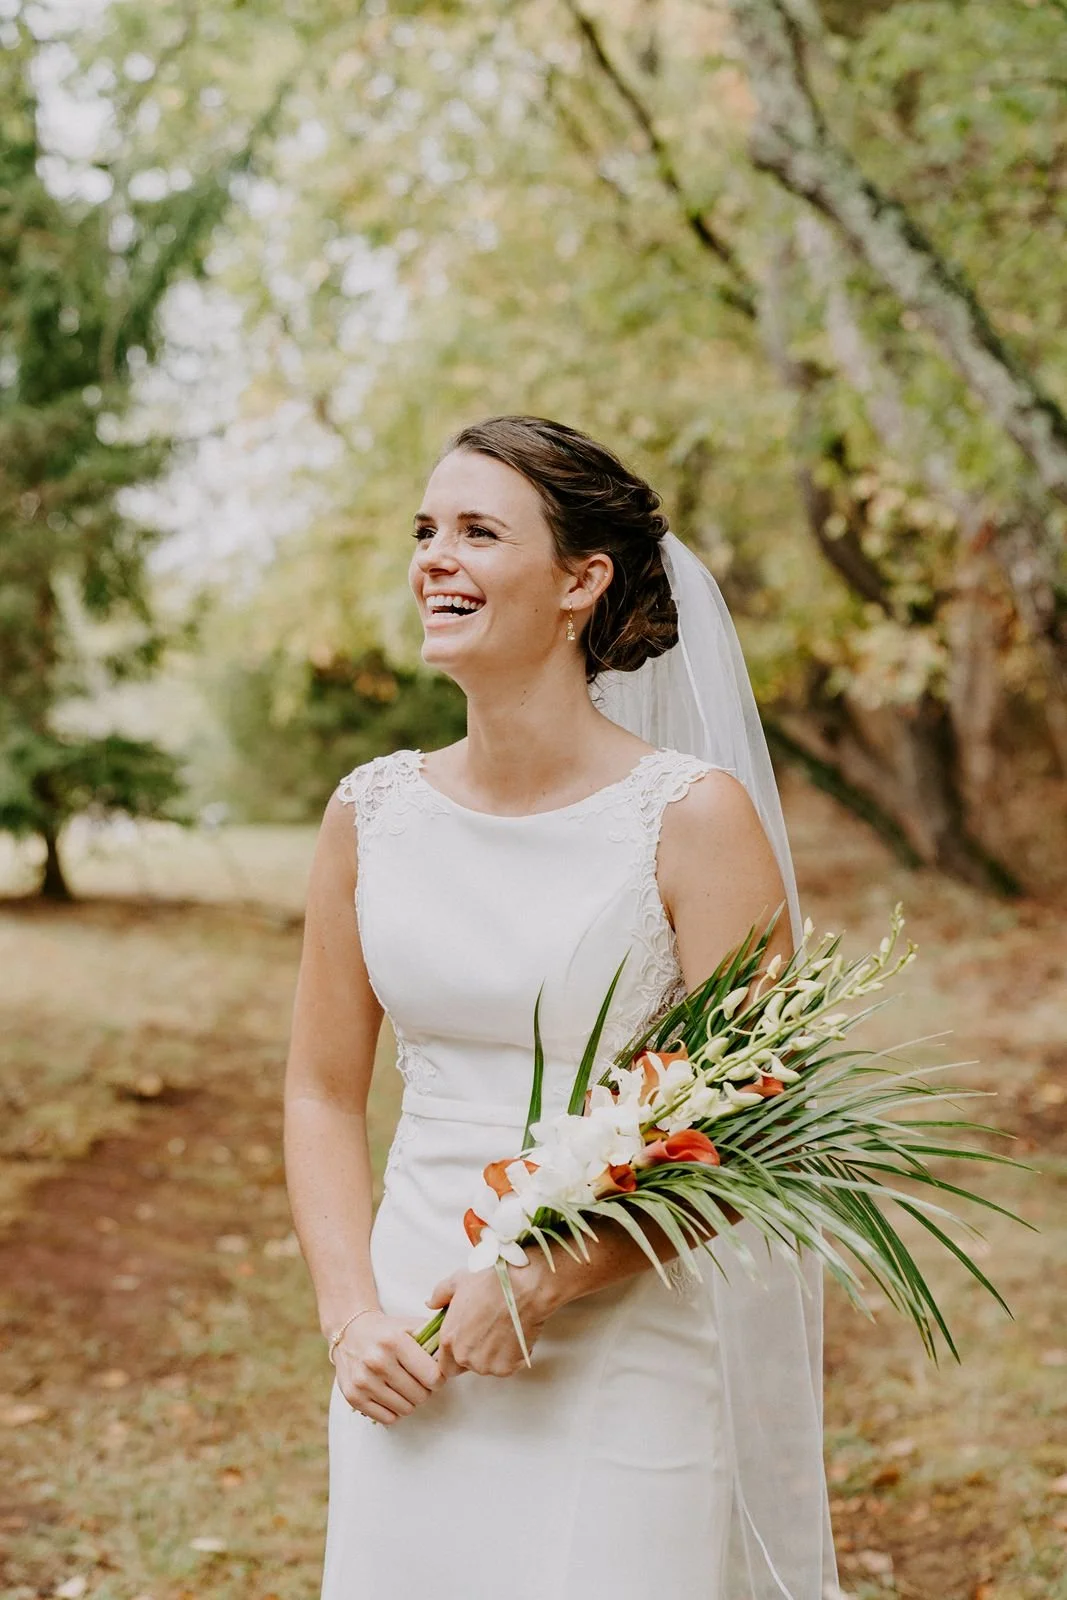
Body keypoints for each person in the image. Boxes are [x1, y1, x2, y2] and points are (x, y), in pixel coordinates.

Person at [284, 415, 837, 1599]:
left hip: (619, 1341)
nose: (434, 556)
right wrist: (350, 1318)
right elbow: (321, 1091)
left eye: (478, 531)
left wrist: (541, 1278)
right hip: (408, 1351)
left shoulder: (690, 816)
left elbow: (758, 1127)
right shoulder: (368, 815)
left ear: (579, 580)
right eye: (425, 530)